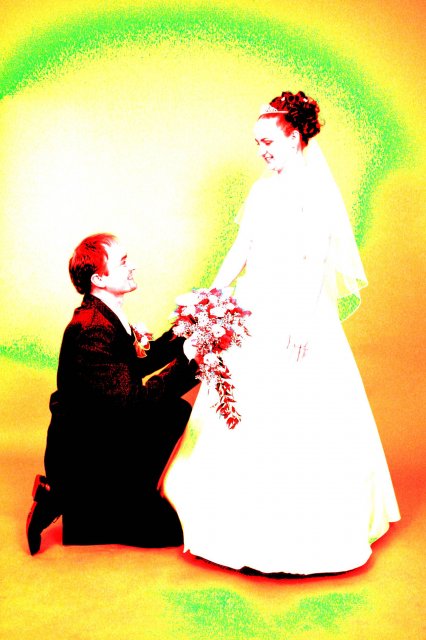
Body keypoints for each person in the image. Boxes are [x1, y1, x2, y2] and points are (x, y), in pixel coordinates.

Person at [162, 90, 400, 575]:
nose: (261, 151)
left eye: (268, 141)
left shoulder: (315, 192)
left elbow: (314, 261)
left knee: (299, 411)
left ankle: (299, 530)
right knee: (241, 407)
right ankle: (233, 520)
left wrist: (303, 319)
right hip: (253, 308)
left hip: (297, 311)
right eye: (257, 143)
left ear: (295, 137)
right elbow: (241, 248)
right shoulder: (261, 191)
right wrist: (212, 296)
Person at [26, 232, 198, 554]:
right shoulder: (92, 328)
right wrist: (190, 363)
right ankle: (78, 503)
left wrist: (186, 333)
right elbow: (133, 402)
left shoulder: (104, 313)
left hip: (103, 432)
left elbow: (135, 362)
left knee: (174, 410)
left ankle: (128, 498)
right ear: (99, 279)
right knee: (169, 532)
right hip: (87, 456)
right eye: (123, 262)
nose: (132, 266)